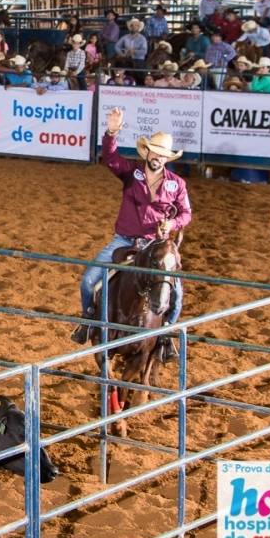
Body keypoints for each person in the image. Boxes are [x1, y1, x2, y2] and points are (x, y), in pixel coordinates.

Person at [71, 107, 191, 361]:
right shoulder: (131, 173)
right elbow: (110, 158)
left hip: (156, 245)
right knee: (88, 282)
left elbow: (186, 214)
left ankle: (165, 336)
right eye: (155, 152)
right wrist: (111, 133)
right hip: (123, 240)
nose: (158, 157)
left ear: (167, 158)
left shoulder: (177, 184)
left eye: (163, 154)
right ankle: (89, 321)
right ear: (147, 152)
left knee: (177, 295)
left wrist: (171, 224)